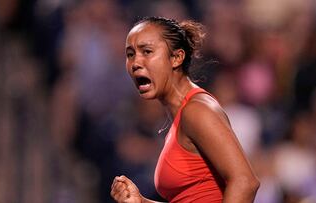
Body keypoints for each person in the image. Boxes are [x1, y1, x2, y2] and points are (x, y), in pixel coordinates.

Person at [110, 16, 260, 203]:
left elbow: (245, 182)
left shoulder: (197, 110)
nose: (135, 63)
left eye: (147, 51)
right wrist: (141, 201)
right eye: (130, 54)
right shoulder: (180, 119)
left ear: (176, 58)